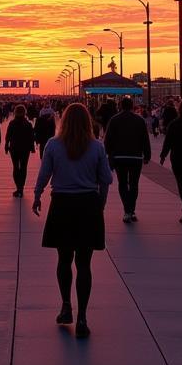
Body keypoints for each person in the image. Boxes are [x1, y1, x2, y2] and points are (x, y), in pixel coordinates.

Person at [32, 102, 112, 339]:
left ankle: (66, 305)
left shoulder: (54, 145)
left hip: (62, 205)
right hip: (88, 204)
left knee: (64, 258)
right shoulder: (96, 147)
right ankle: (83, 316)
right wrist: (101, 203)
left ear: (63, 120)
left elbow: (45, 173)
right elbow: (105, 179)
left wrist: (37, 195)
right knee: (84, 263)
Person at [103, 96, 151, 222]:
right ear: (132, 106)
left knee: (123, 184)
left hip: (120, 157)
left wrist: (108, 154)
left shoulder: (114, 120)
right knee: (134, 184)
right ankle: (132, 210)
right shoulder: (140, 120)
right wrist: (147, 155)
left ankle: (127, 210)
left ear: (120, 106)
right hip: (135, 157)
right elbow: (145, 139)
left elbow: (108, 140)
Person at [4, 104, 36, 197]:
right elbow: (31, 137)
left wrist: (6, 146)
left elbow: (8, 136)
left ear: (15, 112)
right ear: (24, 112)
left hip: (14, 148)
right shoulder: (28, 124)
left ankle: (18, 187)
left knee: (15, 167)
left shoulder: (12, 123)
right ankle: (21, 188)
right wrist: (32, 148)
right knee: (23, 168)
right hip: (25, 149)